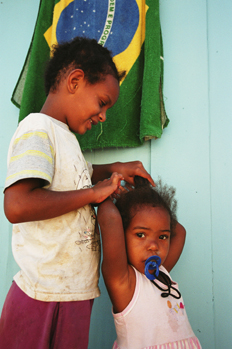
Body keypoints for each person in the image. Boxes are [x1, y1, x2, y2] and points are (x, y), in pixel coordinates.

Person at [0, 37, 155, 349]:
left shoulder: (65, 138)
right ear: (75, 81)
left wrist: (115, 167)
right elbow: (16, 205)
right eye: (102, 103)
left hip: (75, 293)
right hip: (42, 295)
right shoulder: (37, 129)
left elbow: (78, 176)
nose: (103, 117)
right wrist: (93, 194)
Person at [97, 175, 202, 349]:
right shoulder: (124, 283)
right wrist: (109, 195)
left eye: (162, 237)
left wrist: (143, 197)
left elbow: (179, 232)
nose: (154, 246)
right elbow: (110, 219)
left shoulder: (160, 272)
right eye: (141, 234)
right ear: (121, 236)